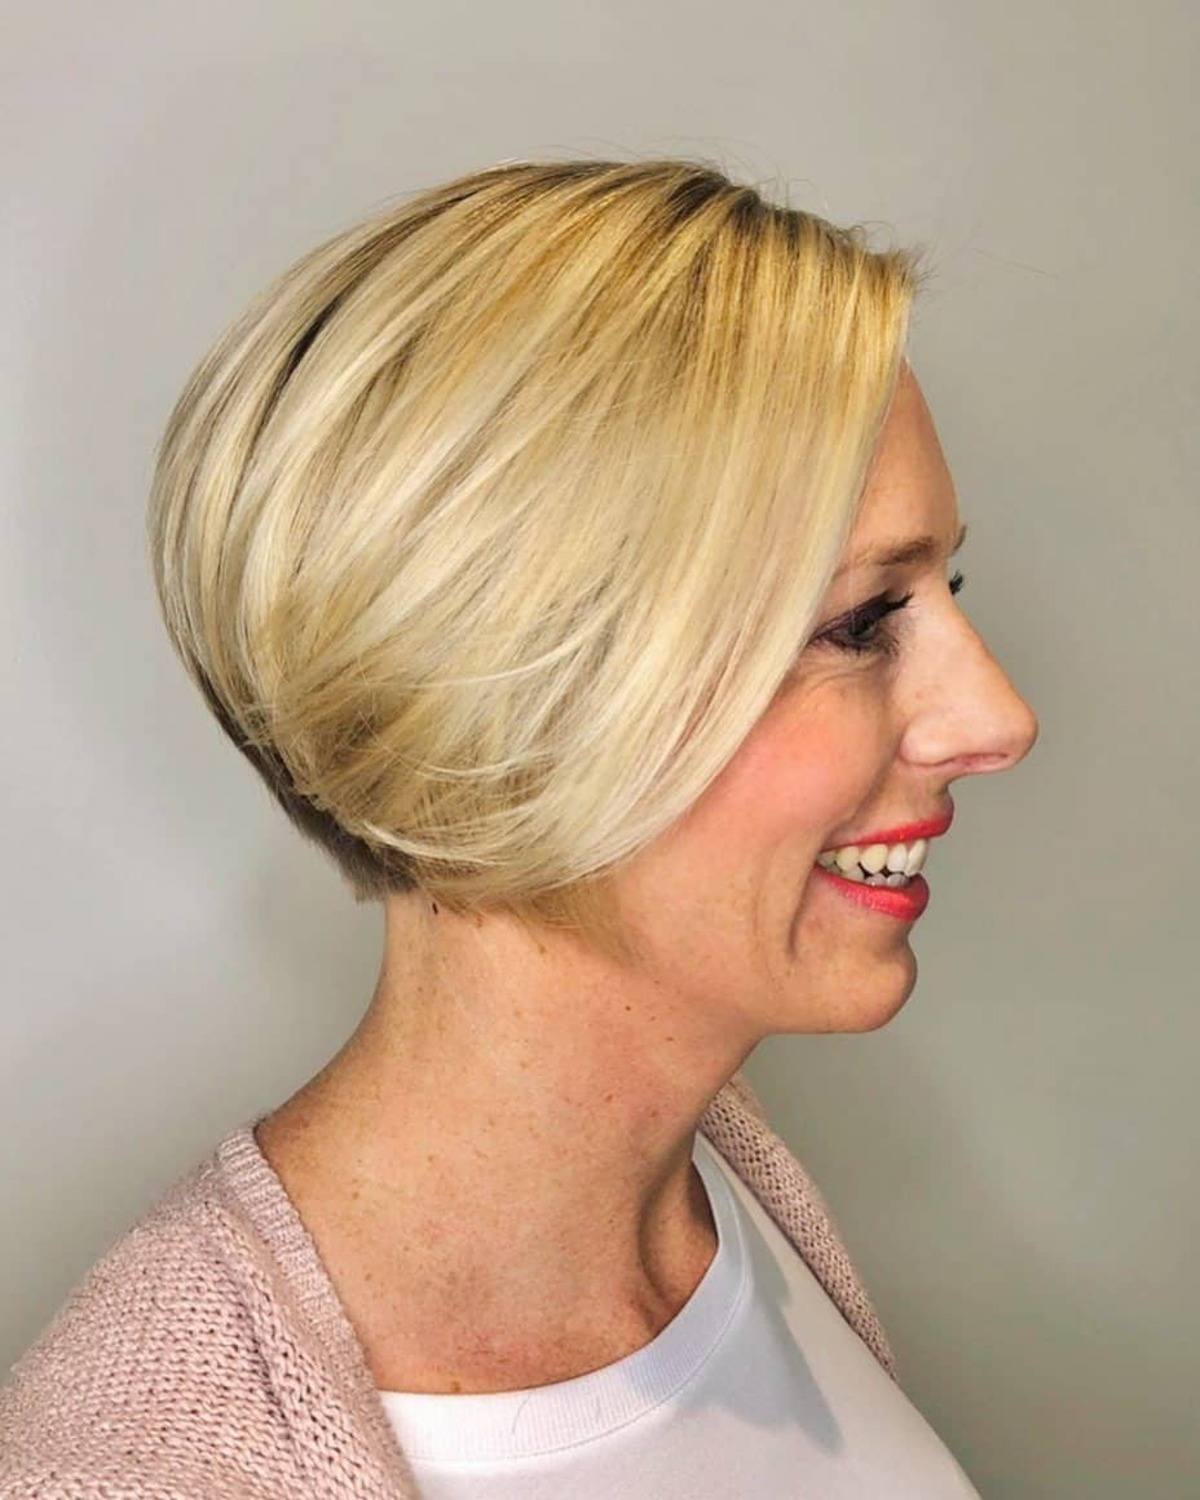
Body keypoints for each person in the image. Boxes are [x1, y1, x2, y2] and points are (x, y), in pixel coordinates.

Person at [0, 157, 1037, 1498]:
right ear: (515, 695)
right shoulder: (133, 1463)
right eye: (858, 623)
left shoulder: (713, 1185)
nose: (999, 718)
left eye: (947, 588)